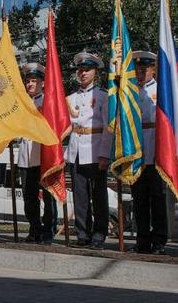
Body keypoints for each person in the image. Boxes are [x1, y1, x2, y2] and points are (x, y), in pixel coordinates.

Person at [65, 52, 112, 250]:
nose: (83, 73)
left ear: (95, 72)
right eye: (80, 70)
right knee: (80, 195)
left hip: (95, 150)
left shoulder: (102, 96)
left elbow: (108, 128)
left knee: (99, 195)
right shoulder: (70, 98)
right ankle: (83, 233)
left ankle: (99, 234)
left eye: (87, 70)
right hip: (75, 150)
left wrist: (105, 154)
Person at [131, 50, 168, 255]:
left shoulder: (162, 91)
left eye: (145, 68)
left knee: (158, 198)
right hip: (137, 152)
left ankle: (160, 241)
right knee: (139, 200)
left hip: (156, 149)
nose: (141, 72)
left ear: (153, 69)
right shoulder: (131, 92)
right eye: (138, 69)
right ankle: (142, 240)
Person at [17, 63, 57, 245]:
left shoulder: (48, 101)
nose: (30, 84)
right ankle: (34, 229)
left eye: (34, 81)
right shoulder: (22, 103)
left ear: (42, 83)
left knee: (48, 196)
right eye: (28, 81)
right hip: (26, 156)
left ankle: (48, 230)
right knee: (29, 196)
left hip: (43, 154)